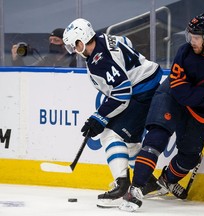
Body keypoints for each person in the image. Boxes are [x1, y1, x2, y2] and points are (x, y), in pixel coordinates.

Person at [119, 13, 204, 212]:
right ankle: (135, 189)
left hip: (199, 107)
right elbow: (181, 91)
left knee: (190, 157)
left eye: (196, 37)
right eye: (190, 35)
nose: (191, 40)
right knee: (156, 139)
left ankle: (165, 181)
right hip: (172, 97)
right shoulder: (185, 53)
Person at [62, 18, 164, 208]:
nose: (74, 50)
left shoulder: (99, 61)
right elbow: (126, 42)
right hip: (146, 85)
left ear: (81, 39)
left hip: (141, 92)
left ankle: (122, 184)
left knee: (110, 135)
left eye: (74, 45)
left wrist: (99, 117)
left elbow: (123, 92)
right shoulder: (104, 38)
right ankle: (148, 181)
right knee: (130, 140)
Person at [11, 28, 76, 67]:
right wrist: (16, 59)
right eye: (50, 40)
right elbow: (28, 72)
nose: (52, 43)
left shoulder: (75, 59)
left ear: (66, 43)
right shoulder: (45, 59)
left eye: (56, 40)